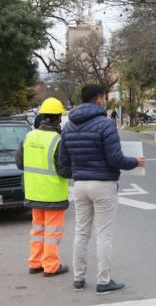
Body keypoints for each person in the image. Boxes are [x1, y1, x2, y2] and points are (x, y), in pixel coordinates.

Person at [59, 84, 146, 294]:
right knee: (103, 234)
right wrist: (135, 161)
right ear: (99, 99)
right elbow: (115, 159)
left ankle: (78, 279)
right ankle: (103, 281)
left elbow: (63, 161)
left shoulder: (68, 126)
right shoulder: (106, 125)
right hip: (103, 185)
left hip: (79, 185)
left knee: (81, 232)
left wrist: (81, 170)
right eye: (104, 98)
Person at [15, 97, 71, 276]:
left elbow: (19, 163)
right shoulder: (57, 140)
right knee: (52, 232)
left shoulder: (28, 137)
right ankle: (51, 266)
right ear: (58, 118)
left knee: (38, 230)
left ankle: (35, 262)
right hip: (53, 194)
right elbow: (64, 170)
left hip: (34, 193)